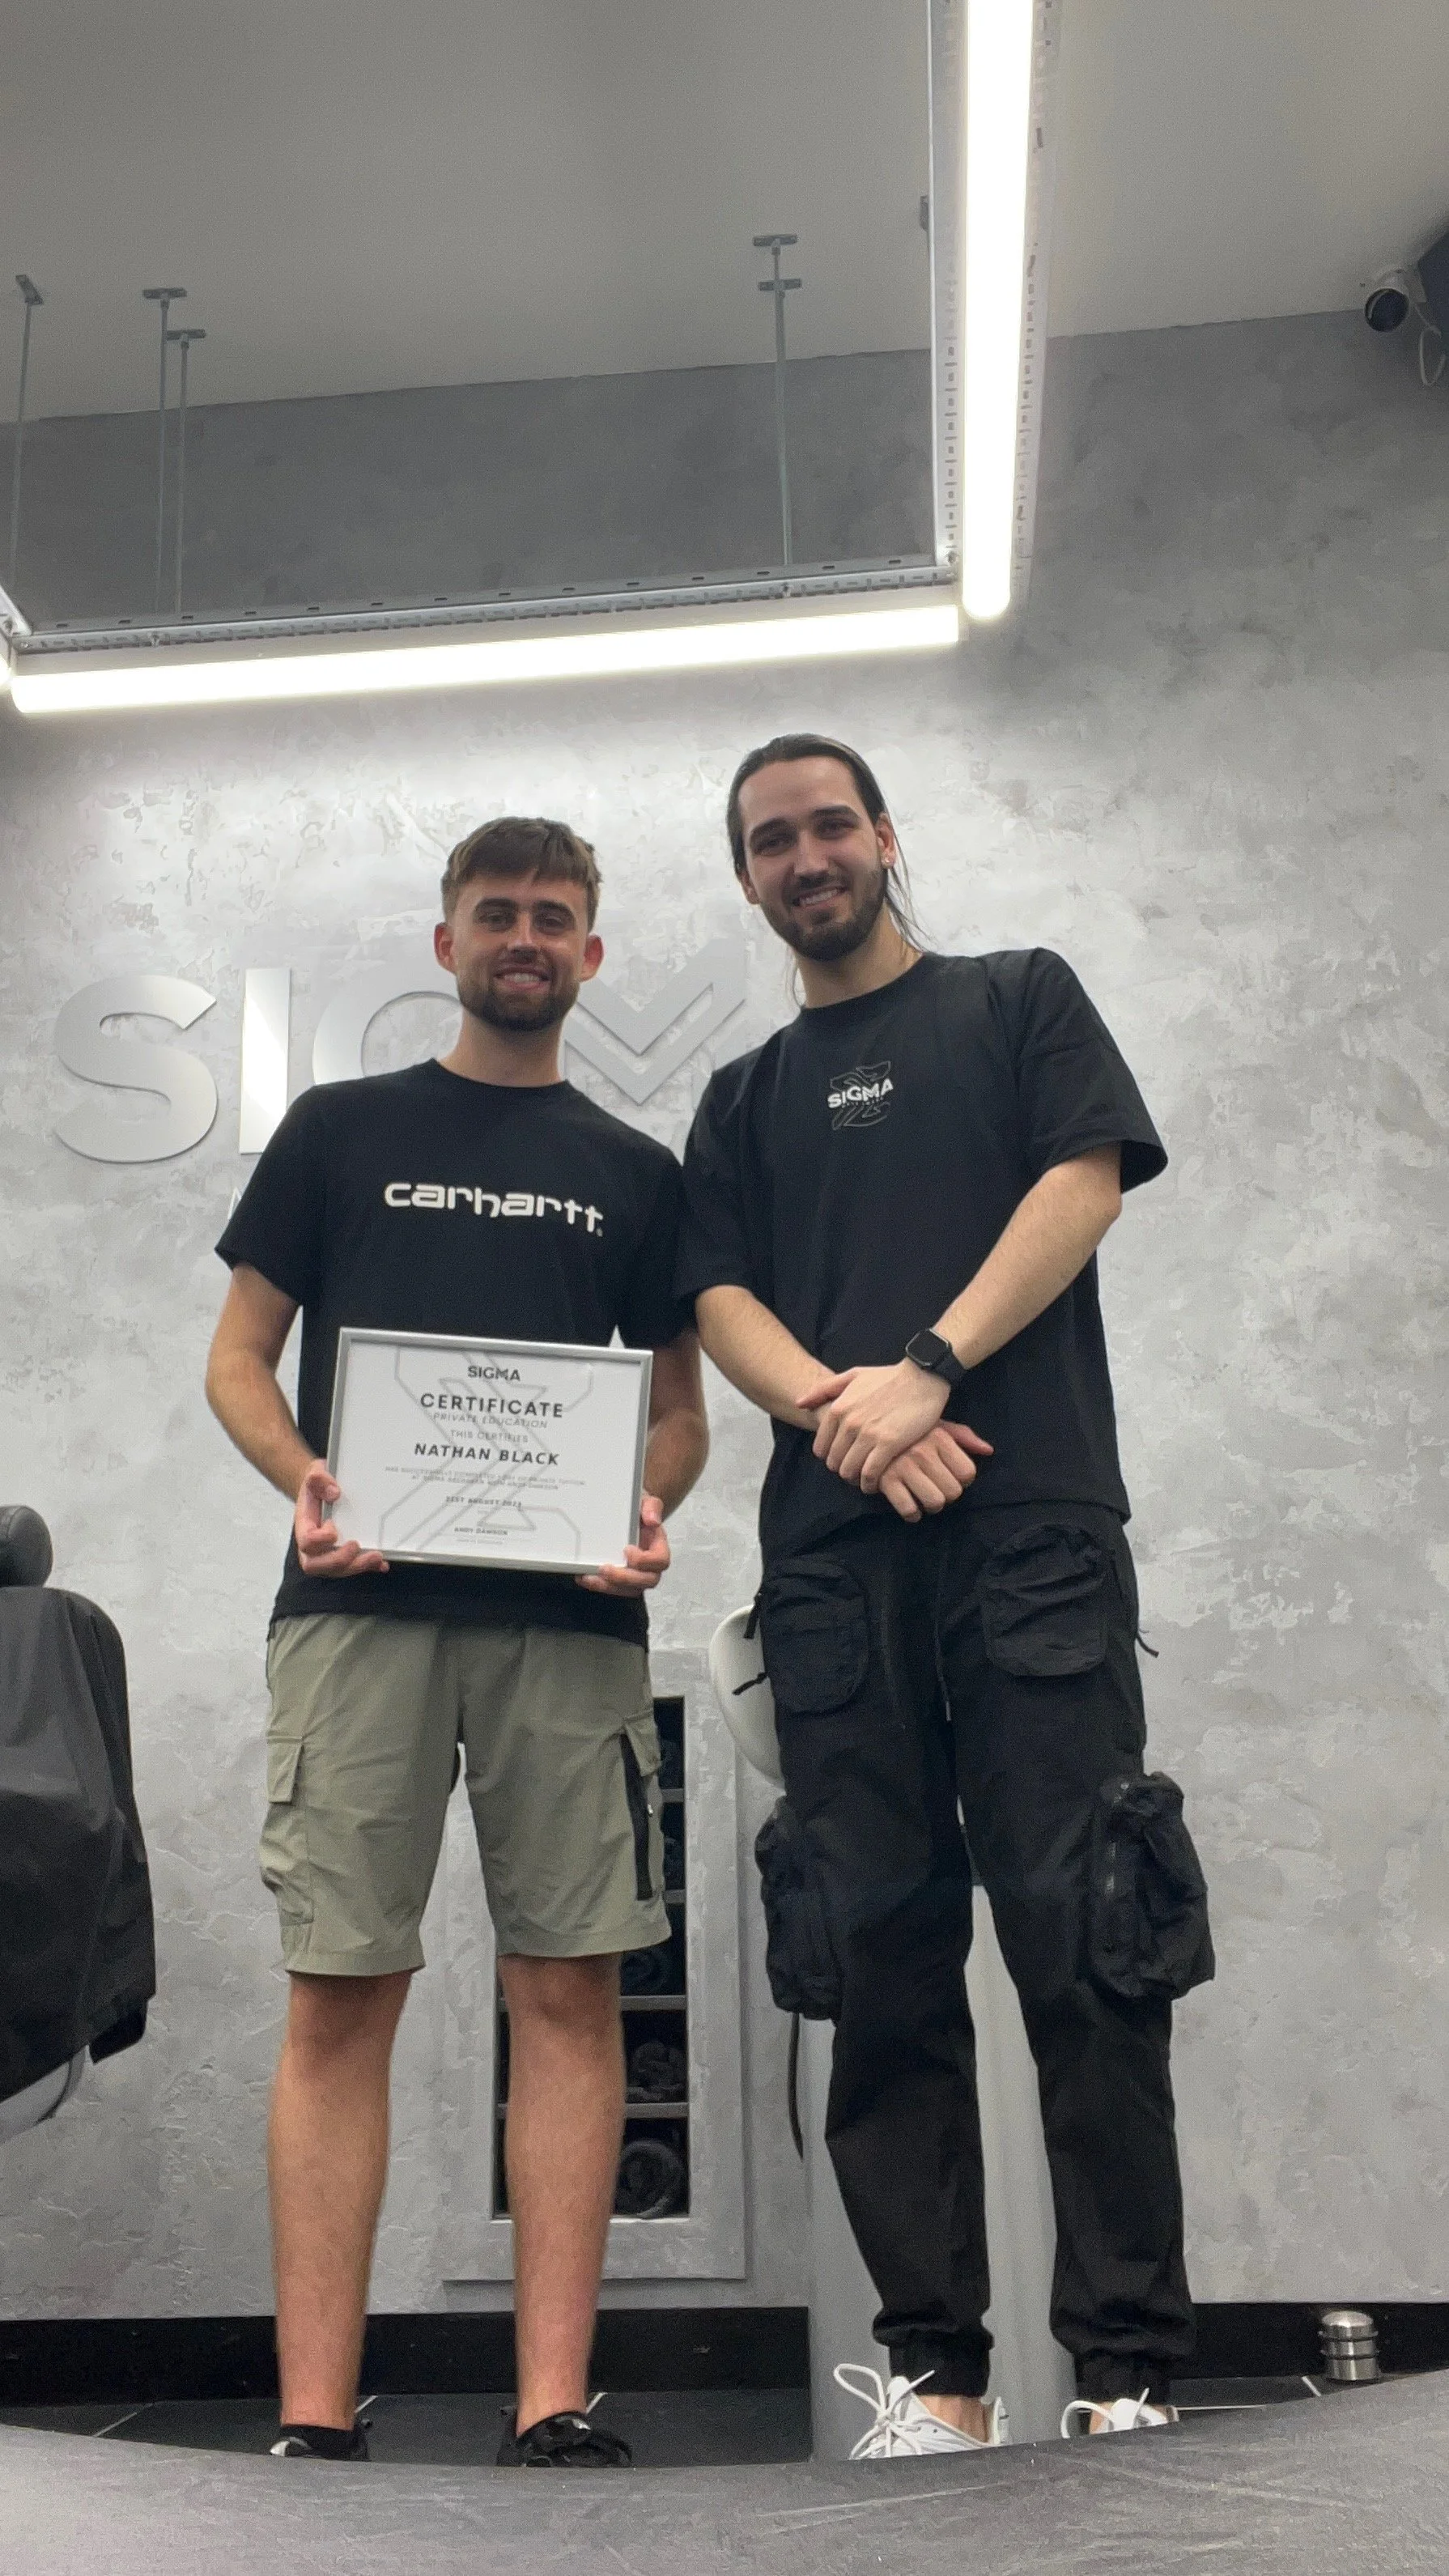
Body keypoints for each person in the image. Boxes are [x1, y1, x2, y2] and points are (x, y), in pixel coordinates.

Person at [678, 733, 1211, 2459]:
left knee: (1085, 1940)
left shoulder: (1016, 1000)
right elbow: (718, 1300)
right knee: (881, 1963)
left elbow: (1082, 1186)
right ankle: (940, 2383)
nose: (806, 855)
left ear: (884, 838)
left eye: (830, 823)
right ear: (748, 877)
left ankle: (1122, 2375)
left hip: (1030, 1529)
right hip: (836, 1559)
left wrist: (926, 1364)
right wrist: (851, 1414)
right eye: (772, 839)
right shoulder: (742, 1094)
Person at [207, 816, 707, 2468]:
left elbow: (681, 1415)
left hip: (567, 1627)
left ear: (591, 957)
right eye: (498, 911)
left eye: (555, 916)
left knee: (572, 1991)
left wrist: (643, 1512)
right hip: (355, 1614)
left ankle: (551, 2401)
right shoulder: (337, 1132)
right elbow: (238, 1363)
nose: (526, 935)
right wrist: (306, 1484)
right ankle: (309, 2417)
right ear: (445, 943)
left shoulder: (639, 1174)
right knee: (339, 1992)